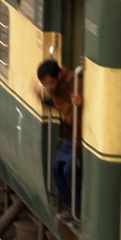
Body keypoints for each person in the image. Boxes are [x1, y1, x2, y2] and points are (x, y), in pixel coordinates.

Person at [36, 58, 81, 209]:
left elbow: (71, 113)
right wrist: (42, 100)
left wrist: (80, 104)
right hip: (71, 136)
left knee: (69, 170)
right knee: (56, 168)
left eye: (51, 83)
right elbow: (61, 107)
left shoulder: (75, 83)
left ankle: (79, 210)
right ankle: (70, 207)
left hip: (80, 138)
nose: (49, 88)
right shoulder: (57, 90)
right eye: (45, 85)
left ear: (59, 76)